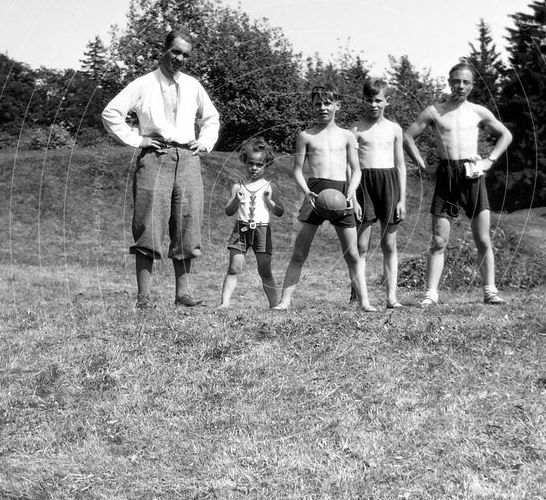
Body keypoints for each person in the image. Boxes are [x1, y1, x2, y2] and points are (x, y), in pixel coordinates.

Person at [101, 28, 220, 309]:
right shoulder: (143, 84)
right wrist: (138, 139)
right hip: (156, 157)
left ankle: (183, 294)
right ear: (164, 51)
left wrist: (203, 143)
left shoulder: (193, 85)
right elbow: (111, 113)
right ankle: (144, 297)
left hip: (188, 159)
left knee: (187, 225)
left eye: (186, 55)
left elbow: (211, 118)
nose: (180, 58)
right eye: (176, 52)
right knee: (149, 224)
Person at [403, 61, 512, 306]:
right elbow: (407, 137)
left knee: (482, 239)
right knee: (439, 240)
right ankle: (431, 294)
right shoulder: (435, 111)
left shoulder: (478, 111)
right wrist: (423, 166)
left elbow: (506, 134)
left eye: (465, 82)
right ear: (449, 82)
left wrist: (489, 160)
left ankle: (490, 291)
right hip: (446, 175)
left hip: (473, 174)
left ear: (471, 86)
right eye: (456, 81)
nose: (460, 86)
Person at [273, 85, 376, 312]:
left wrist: (352, 191)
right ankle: (284, 302)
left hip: (341, 193)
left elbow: (356, 170)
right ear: (312, 107)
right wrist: (306, 191)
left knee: (352, 254)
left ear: (337, 105)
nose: (322, 108)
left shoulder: (348, 136)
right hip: (315, 193)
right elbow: (298, 170)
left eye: (327, 103)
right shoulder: (305, 136)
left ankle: (365, 302)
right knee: (299, 253)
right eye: (317, 103)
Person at [351, 77, 407, 308]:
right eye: (369, 100)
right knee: (361, 245)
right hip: (364, 183)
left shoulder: (394, 129)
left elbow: (401, 165)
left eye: (378, 100)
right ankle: (359, 295)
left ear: (387, 101)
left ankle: (391, 297)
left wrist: (402, 199)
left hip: (389, 183)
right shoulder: (355, 130)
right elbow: (350, 167)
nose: (373, 105)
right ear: (362, 101)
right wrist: (352, 197)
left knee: (389, 245)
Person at [219, 138, 284, 308]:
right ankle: (225, 303)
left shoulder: (270, 187)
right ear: (244, 162)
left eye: (259, 164)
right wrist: (236, 201)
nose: (254, 168)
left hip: (262, 230)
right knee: (234, 267)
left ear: (266, 165)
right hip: (241, 230)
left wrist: (270, 202)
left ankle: (274, 304)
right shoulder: (237, 186)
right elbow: (228, 211)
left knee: (264, 270)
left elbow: (279, 211)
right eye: (251, 163)